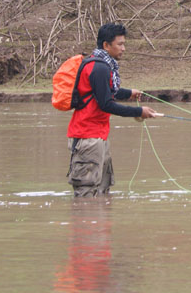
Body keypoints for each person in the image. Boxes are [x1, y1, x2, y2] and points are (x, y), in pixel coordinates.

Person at [67, 23, 158, 197]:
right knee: (86, 193)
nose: (123, 48)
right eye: (120, 44)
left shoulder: (102, 65)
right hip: (87, 138)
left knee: (102, 191)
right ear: (106, 45)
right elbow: (106, 104)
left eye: (124, 44)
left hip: (97, 136)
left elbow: (106, 92)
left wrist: (129, 93)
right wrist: (139, 112)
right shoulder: (99, 68)